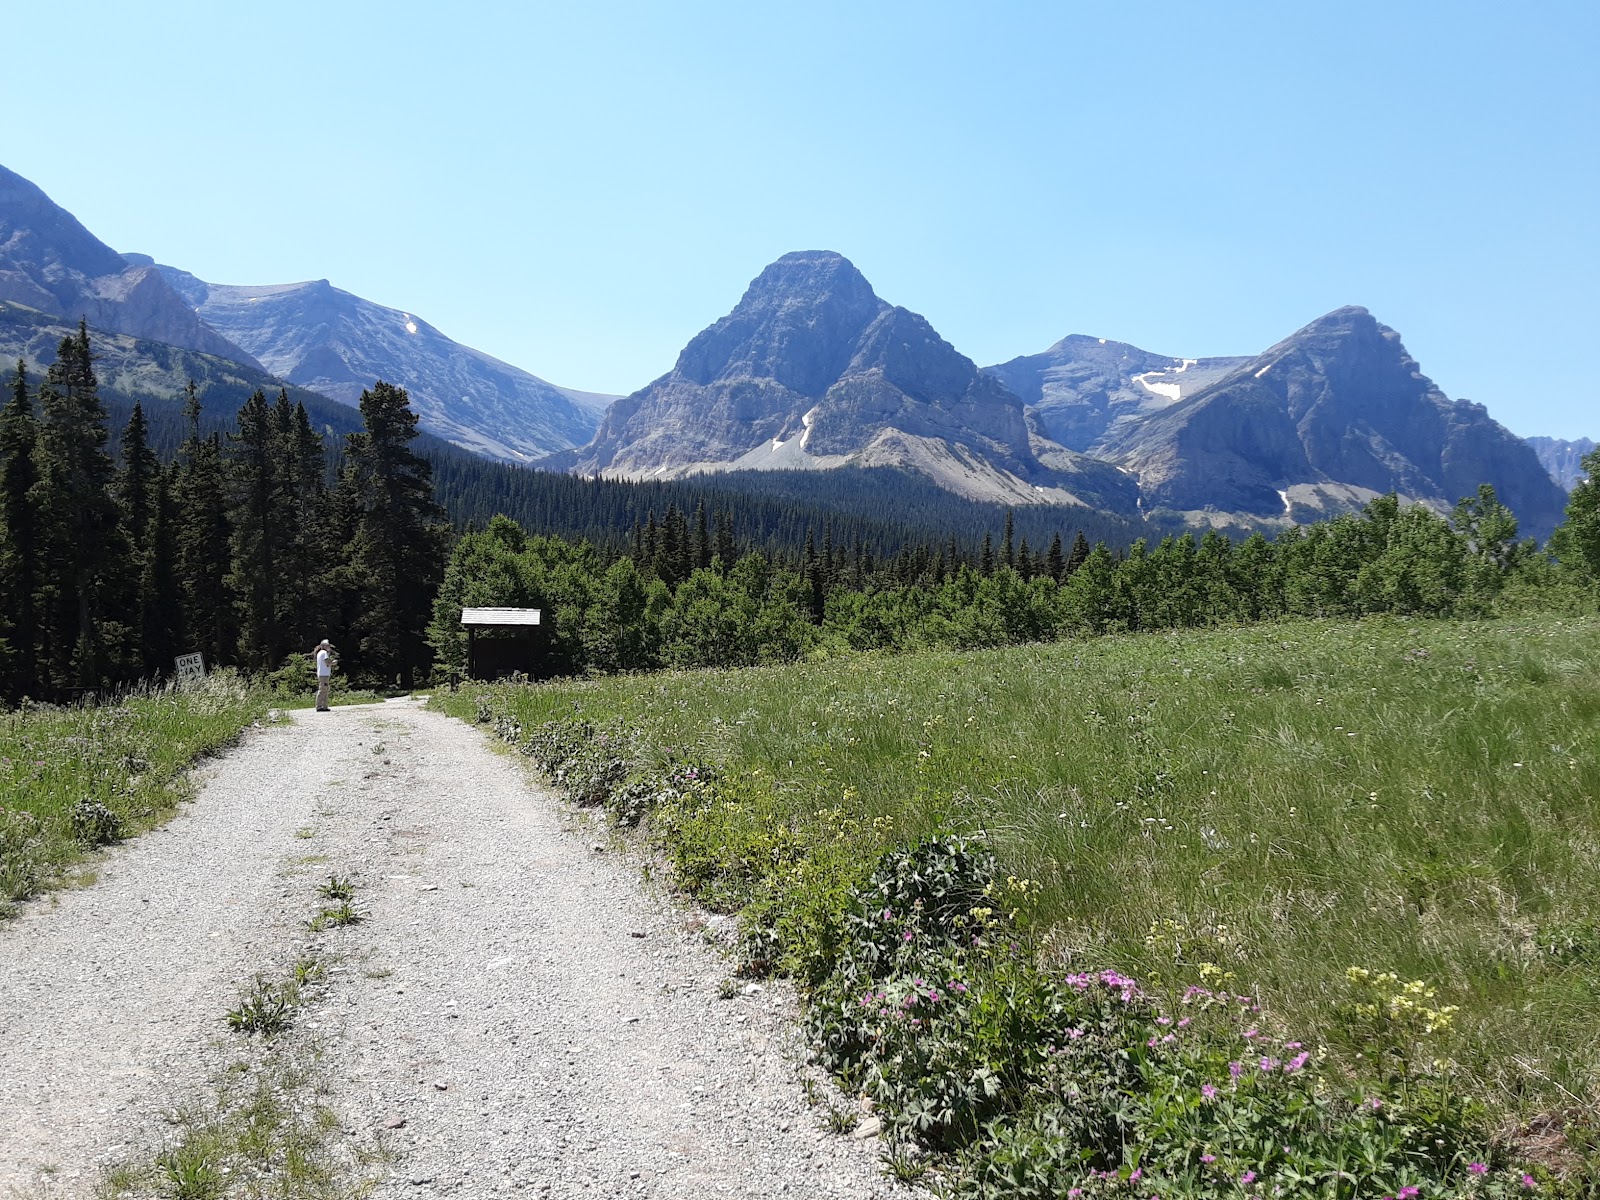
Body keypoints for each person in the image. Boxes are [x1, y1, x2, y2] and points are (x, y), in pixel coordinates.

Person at [314, 639, 333, 711]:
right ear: (324, 646)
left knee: (325, 689)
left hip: (322, 674)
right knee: (322, 689)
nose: (329, 647)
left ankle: (324, 706)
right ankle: (319, 706)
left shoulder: (320, 653)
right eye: (328, 645)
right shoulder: (324, 653)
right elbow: (327, 662)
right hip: (323, 674)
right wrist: (333, 662)